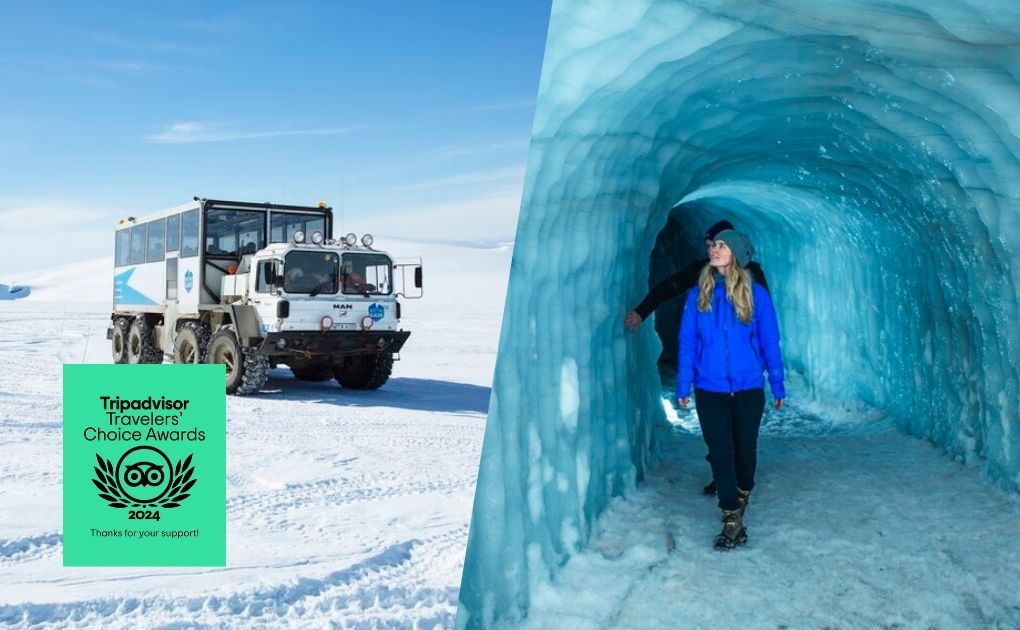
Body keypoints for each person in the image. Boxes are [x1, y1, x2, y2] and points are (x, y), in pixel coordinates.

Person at [625, 220, 771, 496]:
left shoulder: (752, 276)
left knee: (742, 437)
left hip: (742, 374)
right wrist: (642, 311)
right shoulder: (703, 271)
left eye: (715, 246)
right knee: (718, 434)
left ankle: (739, 484)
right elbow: (670, 286)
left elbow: (764, 319)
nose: (710, 252)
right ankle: (724, 477)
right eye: (707, 247)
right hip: (712, 373)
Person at [676, 230, 785, 550]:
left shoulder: (756, 295)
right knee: (721, 454)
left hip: (749, 388)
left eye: (721, 246)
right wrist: (684, 383)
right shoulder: (699, 294)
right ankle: (731, 519)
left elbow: (769, 341)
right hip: (710, 389)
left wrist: (777, 383)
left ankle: (742, 492)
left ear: (735, 253)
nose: (714, 250)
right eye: (712, 245)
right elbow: (687, 343)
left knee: (744, 453)